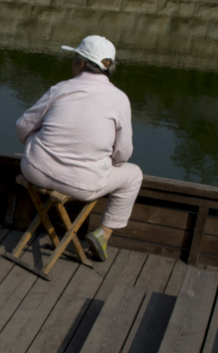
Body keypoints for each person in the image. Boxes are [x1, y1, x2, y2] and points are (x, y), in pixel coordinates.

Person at [15, 35, 142, 261]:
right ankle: (104, 233)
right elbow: (123, 154)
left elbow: (23, 126)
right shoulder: (120, 99)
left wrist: (37, 143)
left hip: (35, 171)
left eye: (74, 58)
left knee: (37, 130)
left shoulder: (61, 89)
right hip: (82, 185)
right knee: (134, 174)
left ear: (81, 63)